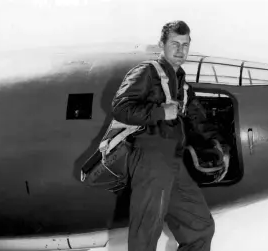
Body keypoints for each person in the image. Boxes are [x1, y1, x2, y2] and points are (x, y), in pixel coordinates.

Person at [112, 20, 218, 251]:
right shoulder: (146, 72)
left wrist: (219, 146)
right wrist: (160, 112)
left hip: (173, 160)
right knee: (146, 235)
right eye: (175, 44)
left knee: (200, 227)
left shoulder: (182, 84)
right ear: (162, 44)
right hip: (150, 158)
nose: (180, 51)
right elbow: (120, 108)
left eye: (185, 45)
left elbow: (198, 120)